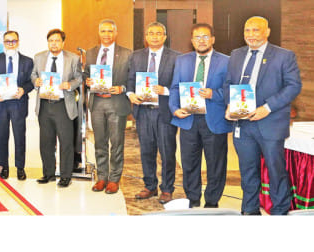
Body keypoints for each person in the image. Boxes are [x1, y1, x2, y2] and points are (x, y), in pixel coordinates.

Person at [223, 16, 301, 215]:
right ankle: (249, 210)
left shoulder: (284, 56)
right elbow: (228, 83)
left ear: (267, 32)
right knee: (247, 171)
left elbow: (293, 86)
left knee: (276, 171)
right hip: (243, 125)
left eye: (256, 30)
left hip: (270, 124)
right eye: (247, 30)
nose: (251, 35)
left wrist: (267, 108)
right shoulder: (236, 55)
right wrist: (230, 105)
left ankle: (280, 212)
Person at [169, 23, 231, 208]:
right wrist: (174, 108)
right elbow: (175, 87)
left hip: (214, 120)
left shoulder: (227, 61)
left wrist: (214, 94)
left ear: (213, 39)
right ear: (192, 40)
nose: (201, 41)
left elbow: (232, 90)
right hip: (188, 119)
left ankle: (212, 201)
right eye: (197, 37)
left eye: (205, 37)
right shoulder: (182, 60)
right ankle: (193, 198)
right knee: (189, 162)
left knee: (216, 164)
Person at [125, 22, 179, 203]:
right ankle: (150, 186)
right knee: (146, 151)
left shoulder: (176, 57)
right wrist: (130, 94)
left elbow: (180, 83)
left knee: (167, 152)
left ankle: (167, 189)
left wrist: (166, 90)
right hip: (143, 111)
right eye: (151, 33)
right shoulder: (136, 56)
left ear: (165, 37)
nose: (155, 37)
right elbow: (131, 79)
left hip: (164, 112)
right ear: (146, 37)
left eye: (159, 33)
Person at [84, 19, 132, 194]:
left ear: (116, 33)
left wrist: (122, 88)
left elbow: (132, 78)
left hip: (116, 102)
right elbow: (86, 74)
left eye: (110, 31)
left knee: (117, 143)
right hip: (97, 102)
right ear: (99, 33)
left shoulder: (127, 54)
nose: (106, 34)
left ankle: (114, 179)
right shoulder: (91, 53)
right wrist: (87, 80)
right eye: (103, 31)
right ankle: (102, 177)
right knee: (100, 142)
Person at [31, 28, 82, 188]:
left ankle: (66, 176)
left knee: (66, 142)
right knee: (46, 142)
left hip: (63, 104)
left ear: (63, 42)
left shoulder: (73, 58)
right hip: (45, 104)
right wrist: (36, 81)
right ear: (48, 42)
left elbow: (79, 78)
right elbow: (33, 74)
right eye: (51, 41)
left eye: (57, 41)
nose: (54, 44)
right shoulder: (39, 57)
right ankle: (48, 173)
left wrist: (69, 85)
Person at [0, 30, 33, 180]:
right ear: (4, 43)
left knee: (20, 137)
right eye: (8, 41)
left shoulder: (27, 61)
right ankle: (4, 167)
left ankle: (20, 168)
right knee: (2, 136)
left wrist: (24, 90)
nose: (11, 44)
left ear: (18, 42)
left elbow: (31, 82)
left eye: (13, 41)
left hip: (18, 103)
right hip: (0, 103)